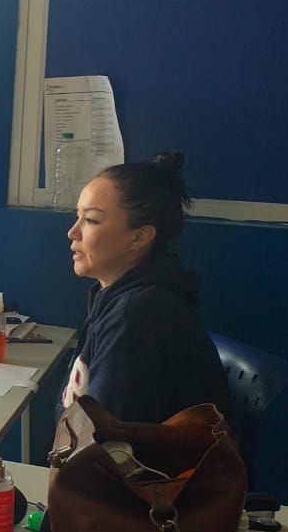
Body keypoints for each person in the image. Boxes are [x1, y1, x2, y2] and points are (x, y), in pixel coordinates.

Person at [58, 152, 228, 424]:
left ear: (139, 237)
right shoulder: (116, 296)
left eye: (91, 220)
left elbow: (104, 434)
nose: (72, 232)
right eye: (77, 216)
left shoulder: (138, 315)